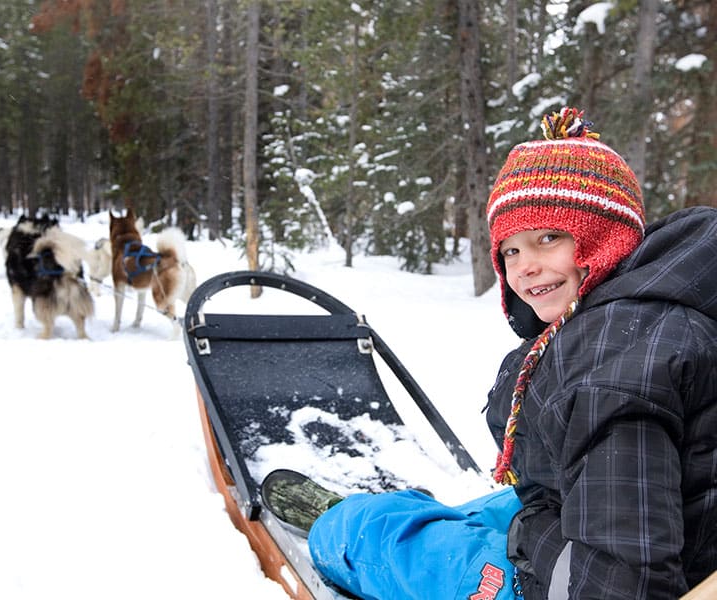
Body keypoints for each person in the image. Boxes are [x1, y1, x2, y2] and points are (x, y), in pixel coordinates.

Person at [262, 107, 717, 599]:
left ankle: (342, 524)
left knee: (395, 547)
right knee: (494, 510)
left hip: (584, 580)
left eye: (548, 237)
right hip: (626, 526)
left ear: (605, 237)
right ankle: (424, 515)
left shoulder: (613, 369)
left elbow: (621, 582)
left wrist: (531, 540)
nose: (525, 267)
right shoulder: (655, 315)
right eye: (512, 250)